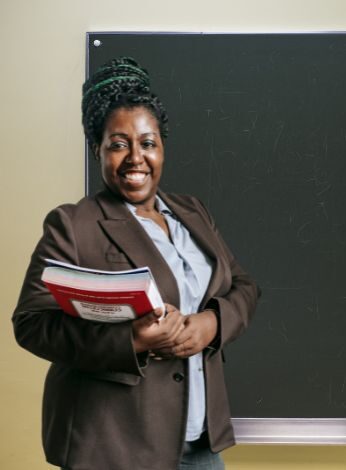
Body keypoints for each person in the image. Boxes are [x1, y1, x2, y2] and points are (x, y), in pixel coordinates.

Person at [12, 57, 260, 470]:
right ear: (98, 150)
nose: (135, 158)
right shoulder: (73, 224)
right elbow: (32, 323)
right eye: (118, 144)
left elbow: (244, 286)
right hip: (115, 446)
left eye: (147, 142)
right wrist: (134, 341)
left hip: (199, 440)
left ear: (162, 147)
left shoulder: (192, 212)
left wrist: (210, 324)